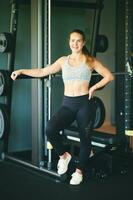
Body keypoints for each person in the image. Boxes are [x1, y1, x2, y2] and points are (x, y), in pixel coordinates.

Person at [11, 29, 114, 185]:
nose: (75, 43)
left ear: (83, 42)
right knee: (50, 129)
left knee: (85, 139)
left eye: (78, 40)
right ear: (69, 42)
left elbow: (109, 76)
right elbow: (42, 71)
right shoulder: (62, 61)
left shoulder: (89, 60)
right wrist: (21, 70)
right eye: (72, 40)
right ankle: (64, 156)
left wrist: (93, 88)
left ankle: (79, 171)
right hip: (68, 104)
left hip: (84, 105)